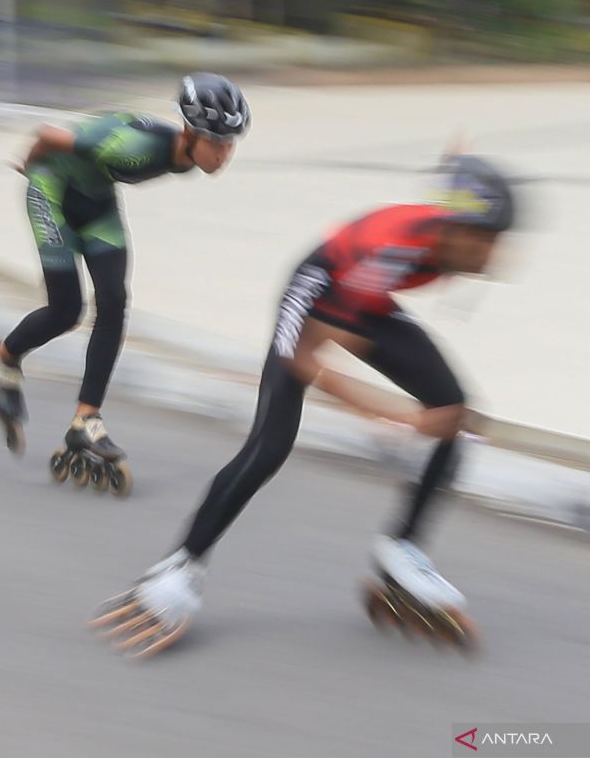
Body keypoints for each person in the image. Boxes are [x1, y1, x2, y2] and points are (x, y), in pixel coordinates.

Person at [92, 153, 516, 657]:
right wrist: (398, 416)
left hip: (363, 301)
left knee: (456, 416)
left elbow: (366, 307)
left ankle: (403, 552)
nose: (495, 255)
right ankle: (179, 569)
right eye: (489, 239)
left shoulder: (436, 239)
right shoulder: (394, 250)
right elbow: (308, 360)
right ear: (454, 228)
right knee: (270, 446)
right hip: (312, 298)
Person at [0, 73, 250, 479]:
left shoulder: (187, 160)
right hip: (52, 191)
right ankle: (3, 359)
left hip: (96, 202)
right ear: (190, 132)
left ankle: (86, 419)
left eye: (230, 144)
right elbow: (49, 135)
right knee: (67, 310)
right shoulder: (136, 149)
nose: (223, 154)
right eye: (216, 142)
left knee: (115, 303)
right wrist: (29, 167)